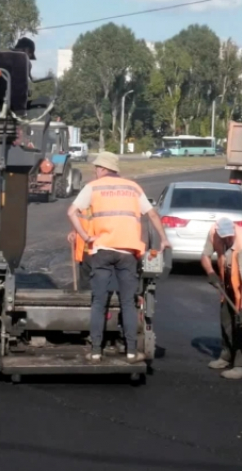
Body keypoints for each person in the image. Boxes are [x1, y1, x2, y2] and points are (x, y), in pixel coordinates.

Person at [67, 152, 172, 363]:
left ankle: (96, 350)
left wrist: (87, 237)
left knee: (98, 302)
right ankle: (131, 351)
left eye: (97, 167)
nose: (95, 171)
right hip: (128, 252)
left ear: (104, 169)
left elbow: (71, 212)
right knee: (127, 302)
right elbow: (152, 214)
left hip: (102, 250)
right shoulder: (133, 188)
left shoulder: (93, 187)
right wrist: (163, 239)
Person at [200, 217, 242, 380]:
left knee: (241, 325)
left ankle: (241, 365)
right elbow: (205, 256)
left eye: (230, 236)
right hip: (229, 280)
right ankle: (226, 356)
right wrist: (211, 273)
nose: (228, 240)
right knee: (226, 319)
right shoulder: (213, 232)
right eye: (225, 237)